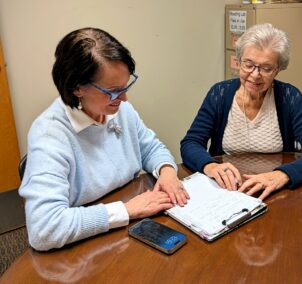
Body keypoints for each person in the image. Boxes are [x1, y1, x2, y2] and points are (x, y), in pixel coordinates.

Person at [19, 27, 189, 251]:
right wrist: (126, 210)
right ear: (77, 87)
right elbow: (44, 229)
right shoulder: (50, 135)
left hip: (125, 233)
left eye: (126, 86)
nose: (125, 98)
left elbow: (150, 148)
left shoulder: (117, 109)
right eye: (114, 90)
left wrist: (167, 171)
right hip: (83, 248)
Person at [180, 23, 302, 200]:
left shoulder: (290, 97)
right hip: (229, 190)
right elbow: (191, 143)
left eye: (266, 68)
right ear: (239, 61)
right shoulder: (219, 94)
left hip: (273, 192)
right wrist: (211, 166)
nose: (255, 74)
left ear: (278, 69)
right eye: (248, 64)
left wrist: (282, 175)